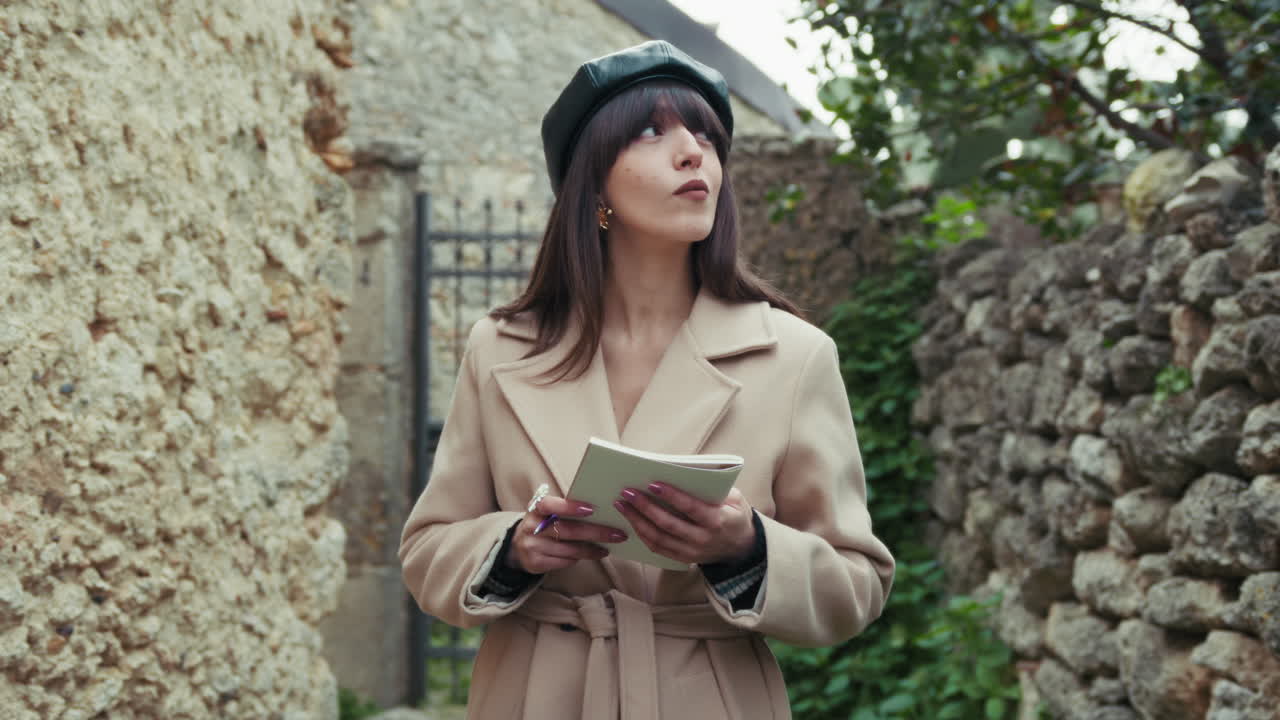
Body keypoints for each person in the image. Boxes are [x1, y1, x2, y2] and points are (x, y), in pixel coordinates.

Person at [399, 40, 895, 720]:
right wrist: (514, 550)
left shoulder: (795, 356)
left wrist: (744, 549)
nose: (694, 153)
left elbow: (858, 583)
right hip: (532, 695)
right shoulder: (501, 350)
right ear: (593, 182)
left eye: (707, 138)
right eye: (650, 131)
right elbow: (427, 550)